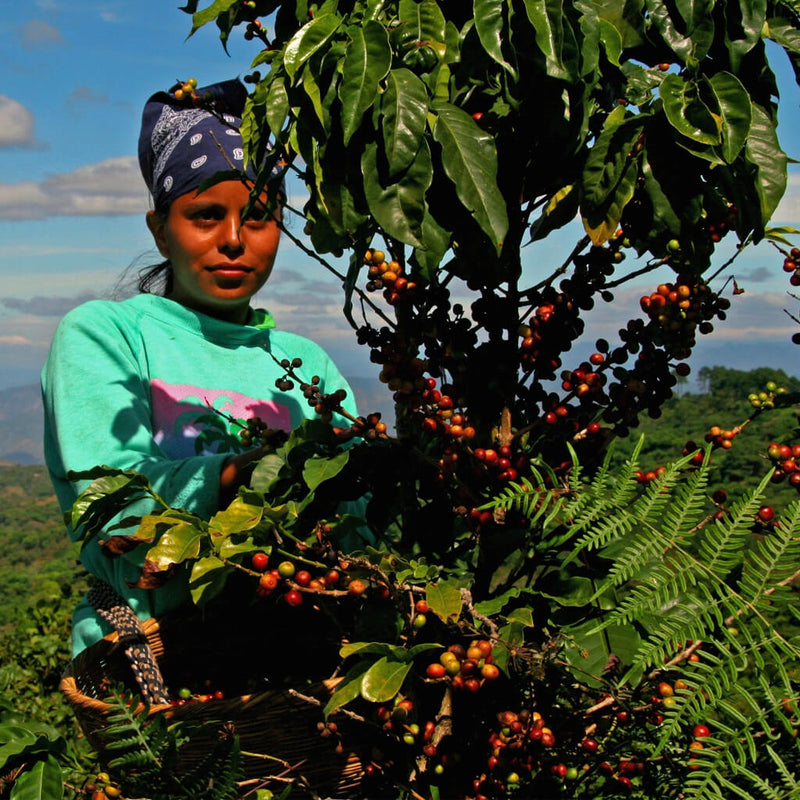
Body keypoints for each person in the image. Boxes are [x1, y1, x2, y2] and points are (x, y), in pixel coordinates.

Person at [42, 79, 357, 658]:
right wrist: (251, 471)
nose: (233, 240)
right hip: (155, 661)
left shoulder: (308, 366)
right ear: (161, 230)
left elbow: (358, 526)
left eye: (258, 217)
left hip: (299, 658)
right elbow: (115, 508)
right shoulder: (107, 335)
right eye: (206, 216)